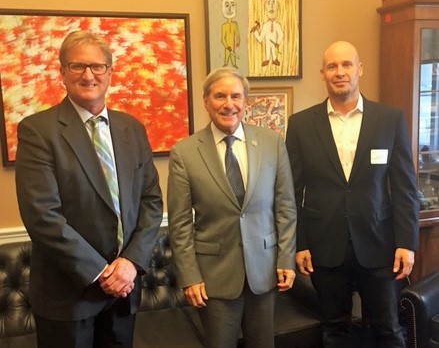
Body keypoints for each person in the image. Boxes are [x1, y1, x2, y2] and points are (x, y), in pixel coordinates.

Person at [15, 31, 163, 348]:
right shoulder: (38, 130)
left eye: (97, 66)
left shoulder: (132, 129)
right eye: (78, 66)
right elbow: (43, 216)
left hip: (125, 291)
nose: (88, 75)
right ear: (62, 72)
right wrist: (102, 273)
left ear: (109, 72)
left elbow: (151, 203)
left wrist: (130, 264)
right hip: (68, 298)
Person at [285, 41, 419, 347]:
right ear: (322, 74)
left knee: (389, 329)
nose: (340, 72)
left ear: (360, 69)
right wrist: (299, 243)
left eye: (347, 65)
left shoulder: (389, 120)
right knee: (335, 331)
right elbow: (291, 192)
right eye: (332, 66)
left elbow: (404, 188)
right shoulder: (301, 124)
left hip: (380, 245)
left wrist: (406, 243)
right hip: (324, 248)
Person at [167, 67, 297, 348]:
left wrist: (286, 258)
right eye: (220, 96)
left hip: (265, 272)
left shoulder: (271, 142)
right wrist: (190, 277)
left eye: (236, 96)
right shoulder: (185, 152)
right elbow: (179, 224)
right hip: (214, 277)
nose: (229, 104)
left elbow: (286, 207)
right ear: (206, 101)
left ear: (245, 101)